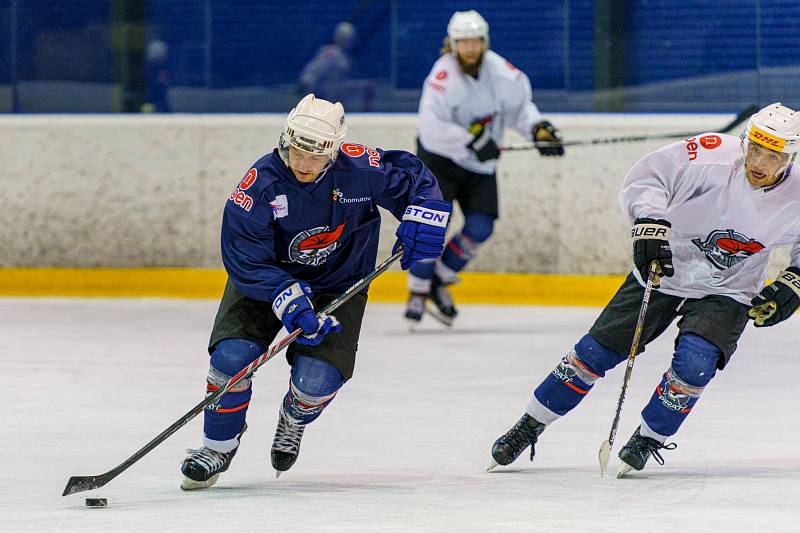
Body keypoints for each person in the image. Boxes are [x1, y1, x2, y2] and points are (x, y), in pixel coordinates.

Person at [489, 102, 800, 477]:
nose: (759, 162)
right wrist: (650, 222)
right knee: (594, 353)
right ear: (745, 141)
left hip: (729, 288)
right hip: (666, 267)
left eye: (773, 155)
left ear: (790, 157)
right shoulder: (712, 155)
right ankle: (530, 423)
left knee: (695, 365)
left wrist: (793, 282)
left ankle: (649, 437)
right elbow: (649, 179)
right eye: (754, 148)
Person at [180, 94, 450, 489]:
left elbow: (414, 180)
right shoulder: (260, 184)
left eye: (314, 156)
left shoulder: (360, 168)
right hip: (266, 283)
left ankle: (294, 416)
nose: (302, 164)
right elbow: (244, 256)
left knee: (317, 381)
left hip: (340, 284)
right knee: (231, 358)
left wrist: (426, 212)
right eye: (295, 152)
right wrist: (284, 293)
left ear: (334, 152)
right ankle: (216, 446)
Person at [403, 9, 565, 328]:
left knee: (481, 226)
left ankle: (440, 280)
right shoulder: (442, 77)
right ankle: (417, 290)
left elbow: (520, 109)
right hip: (439, 159)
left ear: (484, 41)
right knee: (434, 225)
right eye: (462, 43)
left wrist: (537, 129)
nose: (469, 49)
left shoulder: (503, 74)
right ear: (451, 44)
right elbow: (430, 128)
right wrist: (472, 141)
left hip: (480, 164)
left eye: (475, 42)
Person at [297, 22, 357, 104]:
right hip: (323, 98)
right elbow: (314, 70)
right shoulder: (330, 53)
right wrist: (306, 85)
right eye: (347, 39)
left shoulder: (345, 56)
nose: (350, 42)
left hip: (336, 99)